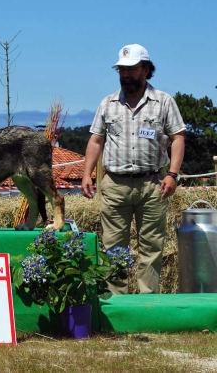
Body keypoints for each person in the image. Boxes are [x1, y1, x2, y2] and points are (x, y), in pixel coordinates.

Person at [82, 43, 185, 294]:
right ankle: (116, 302)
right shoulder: (107, 104)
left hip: (153, 184)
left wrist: (172, 174)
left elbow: (178, 137)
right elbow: (96, 140)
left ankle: (147, 302)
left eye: (132, 69)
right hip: (115, 184)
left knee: (151, 247)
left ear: (147, 70)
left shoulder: (164, 102)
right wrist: (86, 174)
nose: (125, 74)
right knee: (114, 247)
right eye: (121, 70)